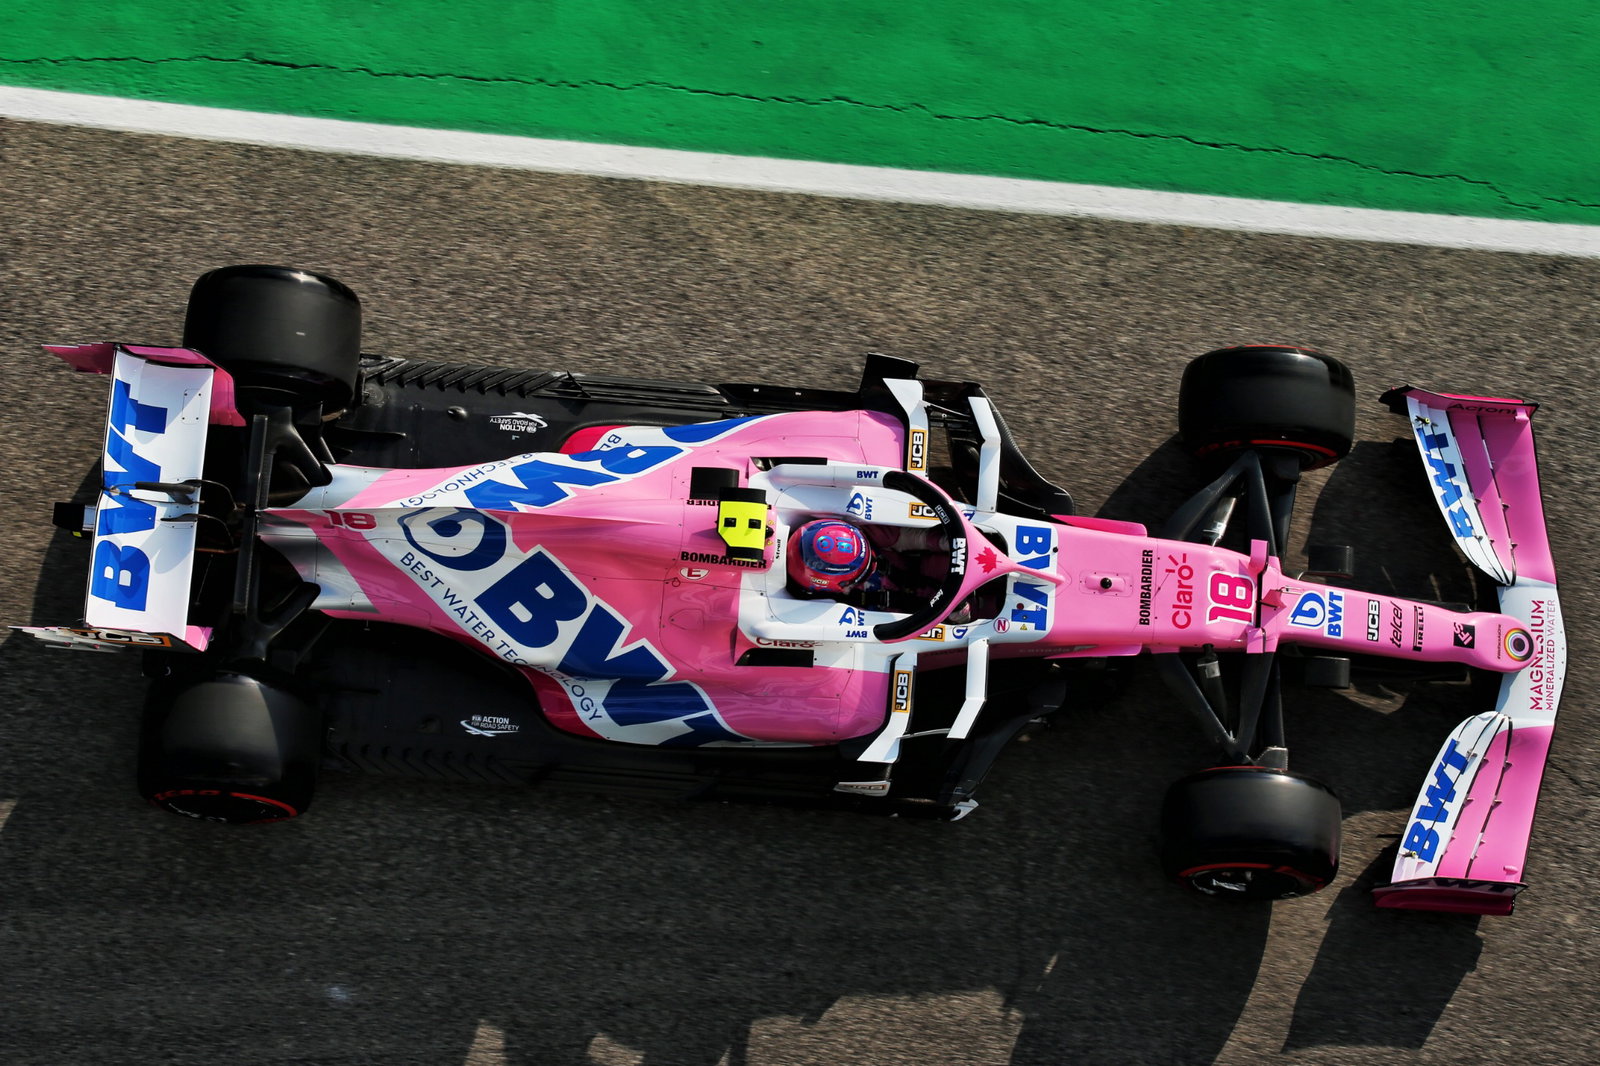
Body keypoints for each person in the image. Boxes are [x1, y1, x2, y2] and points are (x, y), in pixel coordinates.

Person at [786, 518, 953, 609]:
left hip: (921, 568)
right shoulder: (838, 608)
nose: (872, 567)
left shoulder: (870, 534)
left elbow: (913, 538)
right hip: (916, 613)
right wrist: (956, 614)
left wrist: (945, 542)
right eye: (863, 571)